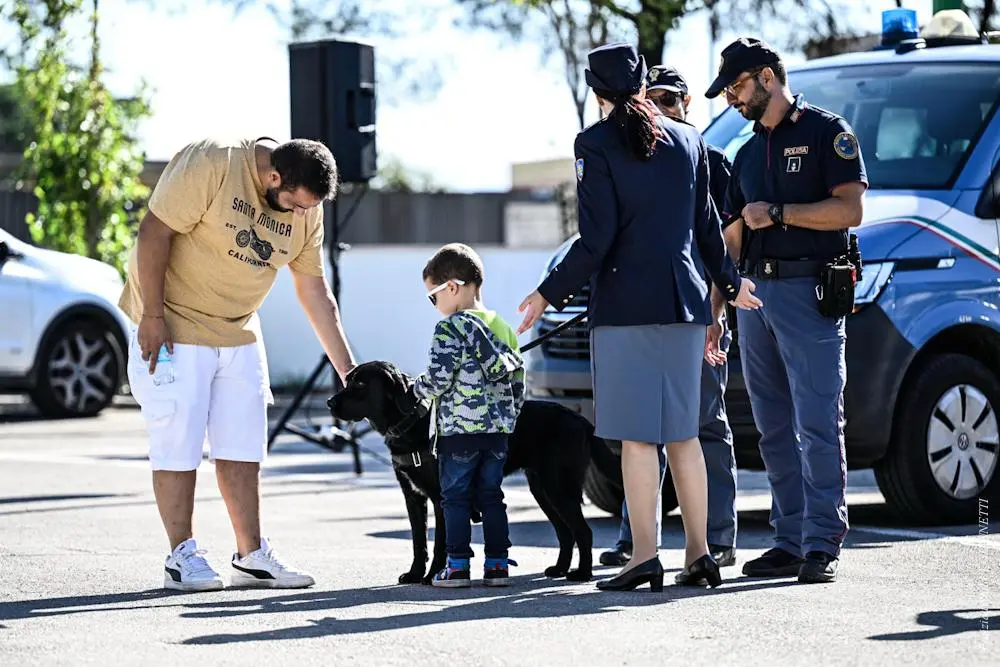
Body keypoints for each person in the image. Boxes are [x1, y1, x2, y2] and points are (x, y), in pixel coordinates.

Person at [518, 42, 762, 593]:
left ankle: (645, 557)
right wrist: (730, 285)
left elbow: (596, 239)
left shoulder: (594, 144)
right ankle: (700, 556)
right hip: (685, 304)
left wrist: (546, 294)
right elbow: (707, 233)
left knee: (636, 439)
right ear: (642, 82)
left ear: (595, 90)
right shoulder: (690, 141)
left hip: (626, 309)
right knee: (685, 436)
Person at [119, 136, 357, 592]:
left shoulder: (307, 208)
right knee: (178, 440)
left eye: (310, 208)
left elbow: (313, 290)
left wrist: (349, 372)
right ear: (272, 178)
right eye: (294, 204)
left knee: (244, 444)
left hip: (240, 328)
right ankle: (180, 556)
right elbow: (154, 232)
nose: (302, 215)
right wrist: (151, 316)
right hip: (175, 321)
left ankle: (251, 557)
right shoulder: (211, 163)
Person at [705, 37, 867, 584]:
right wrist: (721, 301)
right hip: (755, 298)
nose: (731, 99)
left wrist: (777, 213)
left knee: (817, 422)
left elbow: (850, 210)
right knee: (772, 426)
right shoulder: (746, 154)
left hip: (810, 293)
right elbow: (731, 236)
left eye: (736, 86)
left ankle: (822, 541)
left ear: (767, 77)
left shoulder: (827, 132)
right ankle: (790, 538)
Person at [598, 65, 740, 584]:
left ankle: (677, 549)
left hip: (663, 310)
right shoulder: (672, 149)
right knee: (669, 432)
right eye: (652, 96)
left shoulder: (702, 157)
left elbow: (721, 241)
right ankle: (672, 548)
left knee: (669, 431)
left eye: (671, 98)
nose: (662, 105)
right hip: (680, 306)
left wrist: (715, 314)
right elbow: (703, 233)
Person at [399, 243, 525, 588]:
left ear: (451, 287)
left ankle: (457, 566)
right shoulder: (502, 327)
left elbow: (439, 379)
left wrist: (417, 389)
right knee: (491, 496)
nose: (434, 305)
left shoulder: (449, 329)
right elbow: (518, 380)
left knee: (454, 498)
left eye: (432, 297)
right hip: (497, 433)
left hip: (459, 432)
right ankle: (498, 565)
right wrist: (508, 420)